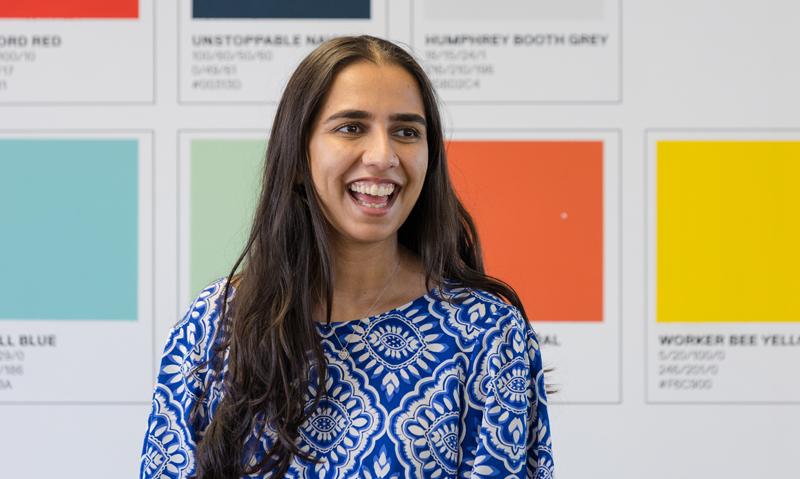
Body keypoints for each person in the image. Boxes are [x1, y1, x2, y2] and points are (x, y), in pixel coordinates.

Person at [140, 36, 554, 479]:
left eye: (406, 132)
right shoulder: (214, 324)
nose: (383, 156)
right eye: (351, 127)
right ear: (297, 157)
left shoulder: (487, 334)